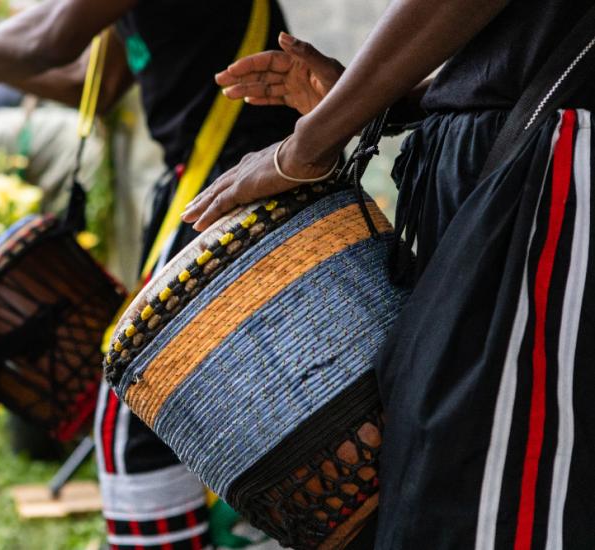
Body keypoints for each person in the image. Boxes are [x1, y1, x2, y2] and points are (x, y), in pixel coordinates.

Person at [0, 0, 298, 546]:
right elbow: (88, 82)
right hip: (207, 181)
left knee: (134, 408)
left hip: (238, 177)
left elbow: (49, 36)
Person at [183, 0, 595, 547]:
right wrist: (379, 96)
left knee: (491, 492)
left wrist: (308, 143)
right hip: (518, 153)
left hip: (556, 165)